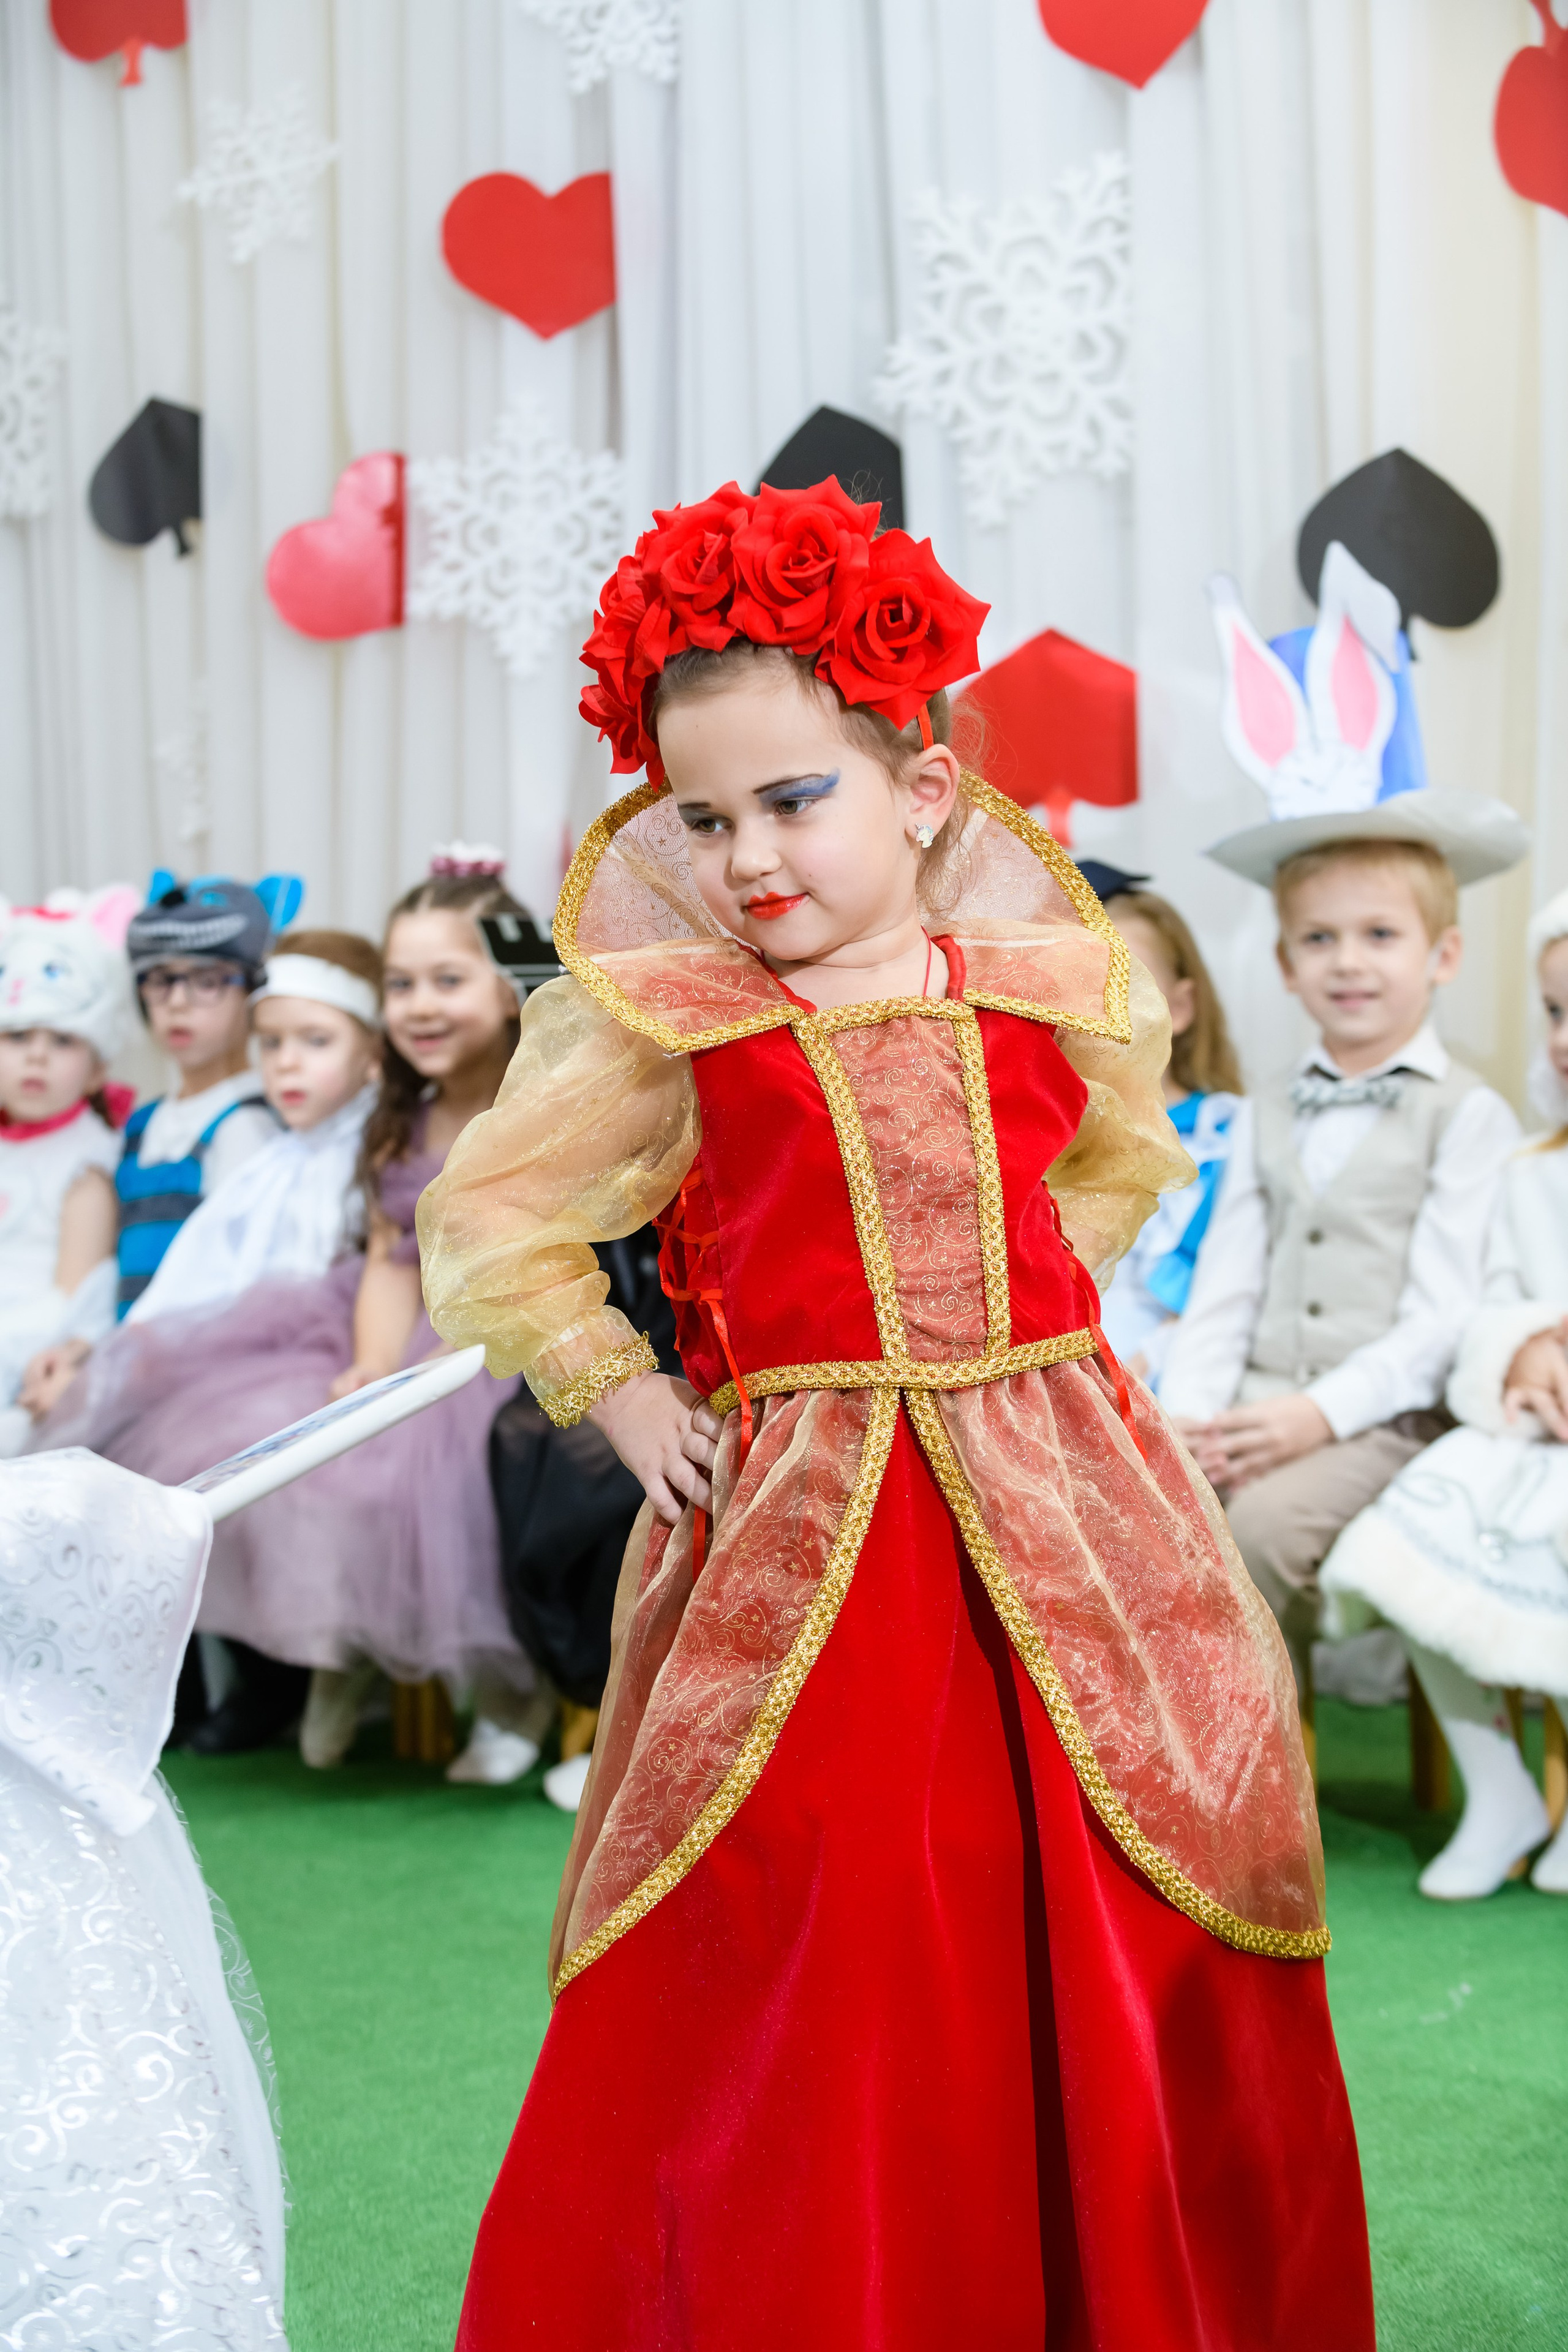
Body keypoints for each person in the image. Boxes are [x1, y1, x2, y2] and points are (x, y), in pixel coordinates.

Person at [419, 478, 1373, 2351]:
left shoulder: (1036, 978)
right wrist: (628, 1396)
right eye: (704, 816)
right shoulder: (680, 1020)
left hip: (1065, 1502)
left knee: (1106, 1880)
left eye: (796, 798)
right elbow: (501, 1213)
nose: (752, 853)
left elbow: (1100, 1168)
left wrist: (1031, 1347)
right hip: (809, 1536)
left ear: (921, 789)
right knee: (827, 1905)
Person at [1167, 546, 1526, 1706]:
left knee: (1258, 1534)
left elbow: (1443, 1319)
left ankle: (1247, 1793)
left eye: (1381, 937)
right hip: (1254, 1397)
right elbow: (1227, 1279)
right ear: (1282, 963)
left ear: (1442, 956)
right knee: (1158, 1504)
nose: (1351, 963)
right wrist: (1192, 1415)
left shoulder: (1467, 1115)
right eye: (1322, 940)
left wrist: (1308, 1417)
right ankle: (1155, 1778)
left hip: (1382, 1417)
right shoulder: (1271, 1104)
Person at [31, 931, 384, 1753]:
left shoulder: (358, 1151)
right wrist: (104, 1352)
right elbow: (187, 1278)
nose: (287, 1066)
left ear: (372, 1057)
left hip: (317, 1356)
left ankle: (296, 1677)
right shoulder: (275, 1161)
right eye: (273, 1046)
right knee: (114, 1448)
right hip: (225, 1356)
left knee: (234, 1452)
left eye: (315, 1043)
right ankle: (152, 1685)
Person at [1321, 886, 1568, 1899]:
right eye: (1555, 1012)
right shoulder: (1531, 1170)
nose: (1565, 1039)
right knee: (1404, 1547)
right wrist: (1524, 1350)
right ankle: (1497, 1783)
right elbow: (1491, 1304)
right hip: (1534, 1433)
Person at [18, 872, 296, 1423]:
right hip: (130, 1364)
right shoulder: (142, 1124)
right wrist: (81, 1346)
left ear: (253, 990)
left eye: (208, 981)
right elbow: (118, 1277)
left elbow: (234, 1292)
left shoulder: (248, 1126)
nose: (177, 1003)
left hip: (199, 1385)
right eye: (160, 981)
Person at [1090, 869, 1245, 1399]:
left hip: (1174, 1397)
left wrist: (1133, 1375)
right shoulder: (1031, 1147)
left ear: (1179, 1008)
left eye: (1122, 985)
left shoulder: (1231, 1138)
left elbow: (1235, 1296)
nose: (1095, 1014)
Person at [0, 889, 137, 1456]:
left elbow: (74, 1295)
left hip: (29, 1352)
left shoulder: (87, 1162)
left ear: (96, 1070)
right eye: (17, 1037)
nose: (37, 1056)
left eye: (60, 1041)